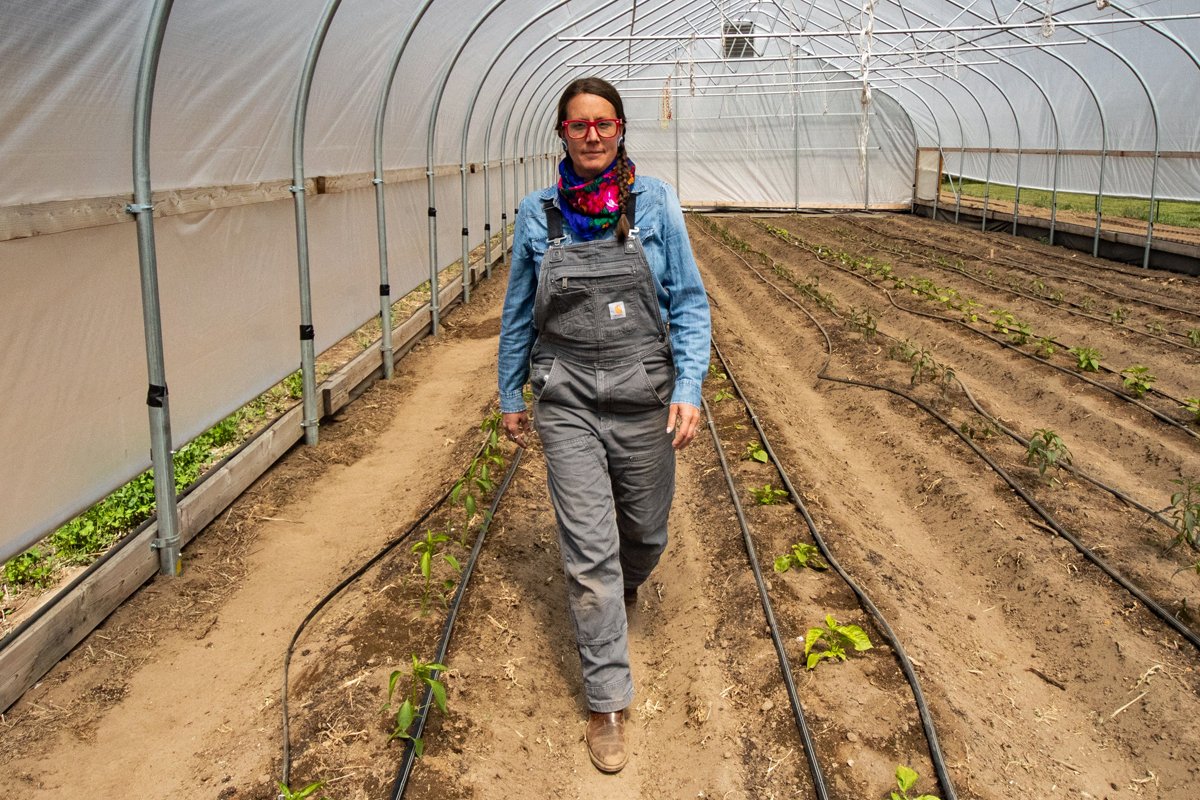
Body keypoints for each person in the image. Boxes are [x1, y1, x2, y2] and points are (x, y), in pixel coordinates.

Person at [497, 76, 711, 774]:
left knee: (644, 534)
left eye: (604, 123)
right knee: (590, 556)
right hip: (567, 399)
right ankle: (606, 702)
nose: (591, 134)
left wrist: (688, 386)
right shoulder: (538, 214)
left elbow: (687, 302)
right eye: (578, 124)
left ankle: (627, 583)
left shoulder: (655, 205)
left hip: (642, 390)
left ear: (621, 130)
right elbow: (519, 315)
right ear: (561, 133)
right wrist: (510, 394)